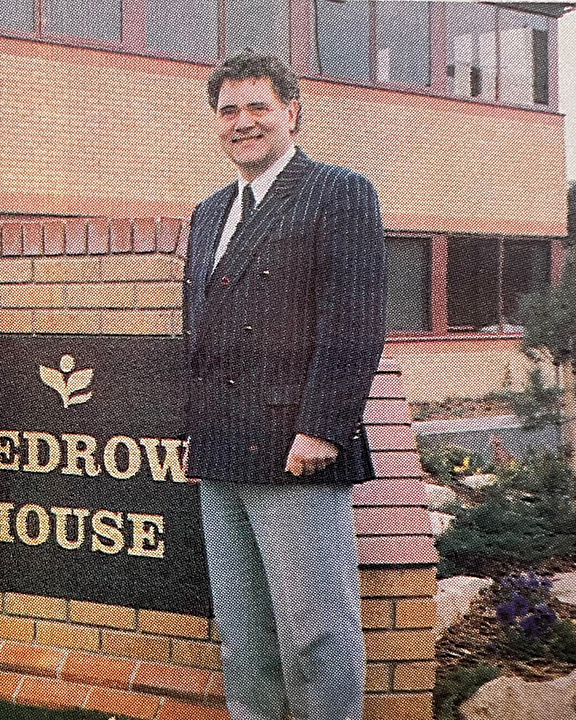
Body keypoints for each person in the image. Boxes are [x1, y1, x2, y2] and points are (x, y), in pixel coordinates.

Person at [181, 54, 386, 720]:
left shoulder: (339, 192)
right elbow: (198, 333)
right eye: (228, 111)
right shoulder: (209, 212)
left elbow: (355, 323)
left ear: (292, 112)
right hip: (221, 452)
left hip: (297, 450)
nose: (242, 122)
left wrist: (322, 428)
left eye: (257, 107)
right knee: (244, 641)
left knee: (315, 637)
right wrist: (191, 430)